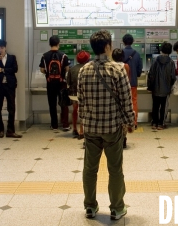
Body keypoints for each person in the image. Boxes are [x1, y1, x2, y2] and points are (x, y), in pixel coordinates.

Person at [77, 30, 135, 220]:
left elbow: (81, 101)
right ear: (108, 47)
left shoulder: (84, 70)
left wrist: (82, 122)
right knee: (115, 169)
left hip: (91, 129)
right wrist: (130, 121)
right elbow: (126, 100)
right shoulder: (118, 69)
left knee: (89, 169)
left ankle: (90, 206)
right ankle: (117, 208)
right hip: (112, 129)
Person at [0, 39, 21, 139]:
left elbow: (15, 69)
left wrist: (3, 69)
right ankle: (1, 130)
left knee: (11, 108)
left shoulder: (12, 58)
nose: (1, 50)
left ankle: (10, 131)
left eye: (2, 48)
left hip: (10, 86)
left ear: (5, 48)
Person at [39, 35, 70, 131]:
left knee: (52, 104)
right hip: (61, 83)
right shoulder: (64, 56)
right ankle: (65, 125)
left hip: (50, 83)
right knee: (63, 103)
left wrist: (48, 73)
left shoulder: (45, 56)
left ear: (49, 44)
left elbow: (42, 69)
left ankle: (54, 125)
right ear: (58, 44)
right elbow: (67, 69)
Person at [146, 42, 176, 130]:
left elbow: (151, 74)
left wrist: (150, 86)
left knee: (155, 105)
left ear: (161, 50)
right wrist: (170, 86)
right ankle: (161, 124)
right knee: (163, 106)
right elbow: (173, 77)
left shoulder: (155, 60)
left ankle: (154, 123)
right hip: (166, 89)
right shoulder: (171, 62)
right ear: (170, 51)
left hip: (155, 88)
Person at [66, 50, 90, 139]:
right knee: (83, 111)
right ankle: (81, 131)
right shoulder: (88, 68)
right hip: (84, 93)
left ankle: (74, 129)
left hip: (73, 94)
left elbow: (68, 81)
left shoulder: (72, 69)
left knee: (75, 110)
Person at [122, 34, 142, 128]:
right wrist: (135, 75)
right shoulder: (137, 54)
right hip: (133, 82)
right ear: (132, 42)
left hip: (121, 83)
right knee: (133, 101)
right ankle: (134, 122)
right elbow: (139, 69)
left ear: (123, 42)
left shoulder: (120, 53)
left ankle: (123, 122)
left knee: (122, 102)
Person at [112, 48, 130, 149]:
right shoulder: (126, 66)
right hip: (123, 93)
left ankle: (115, 138)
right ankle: (123, 138)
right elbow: (129, 80)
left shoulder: (111, 66)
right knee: (124, 117)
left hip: (114, 96)